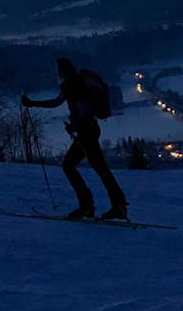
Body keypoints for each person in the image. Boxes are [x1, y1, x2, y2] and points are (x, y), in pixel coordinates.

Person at [21, 57, 128, 220]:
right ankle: (113, 205)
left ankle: (90, 206)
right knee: (95, 168)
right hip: (89, 130)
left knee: (75, 166)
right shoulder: (78, 83)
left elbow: (58, 104)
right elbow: (71, 105)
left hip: (85, 132)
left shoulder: (72, 86)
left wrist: (32, 103)